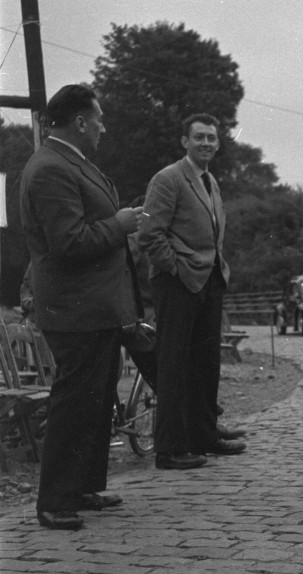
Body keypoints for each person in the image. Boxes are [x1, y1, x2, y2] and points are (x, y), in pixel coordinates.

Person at [19, 84, 144, 530]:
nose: (104, 127)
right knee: (74, 402)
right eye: (100, 119)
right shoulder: (51, 169)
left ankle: (82, 487)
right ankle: (53, 500)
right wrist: (120, 224)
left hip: (94, 307)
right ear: (79, 122)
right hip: (76, 310)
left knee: (94, 401)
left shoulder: (66, 162)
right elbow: (68, 243)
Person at [139, 113, 245, 471]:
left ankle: (204, 434)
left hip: (209, 279)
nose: (206, 144)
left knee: (205, 362)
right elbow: (150, 235)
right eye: (198, 137)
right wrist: (177, 269)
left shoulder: (210, 180)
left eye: (211, 138)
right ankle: (169, 448)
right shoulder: (168, 179)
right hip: (178, 283)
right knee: (173, 363)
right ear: (184, 141)